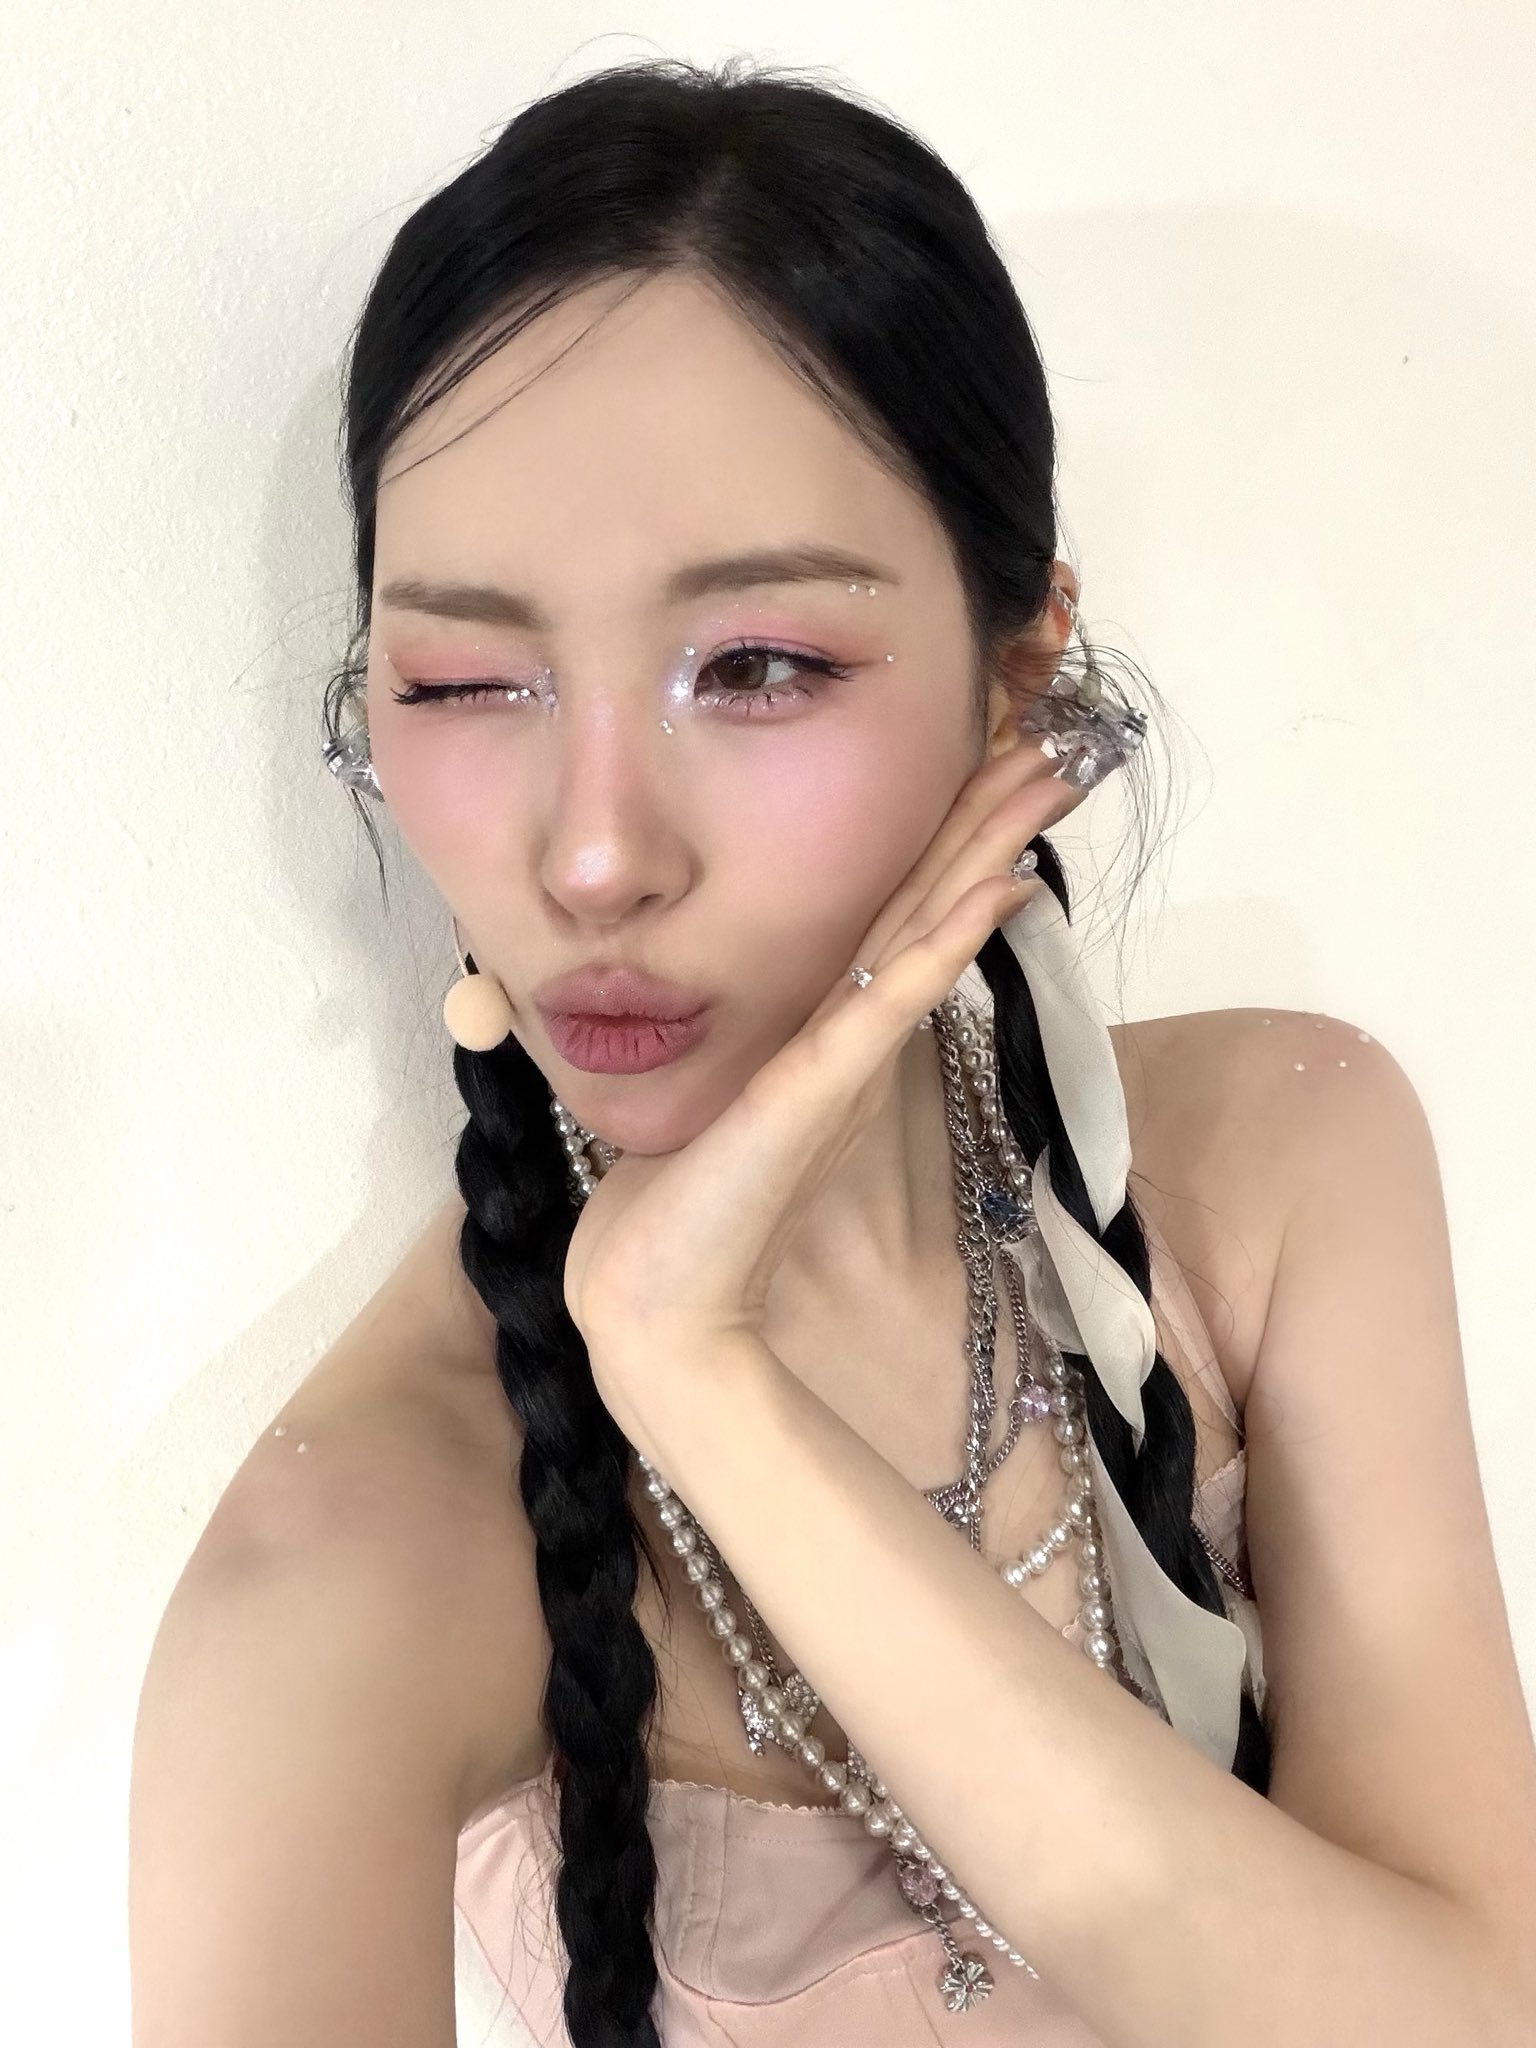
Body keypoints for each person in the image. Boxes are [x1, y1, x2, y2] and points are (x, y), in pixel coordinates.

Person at [128, 54, 1536, 2048]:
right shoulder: (345, 1568)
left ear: (1017, 674)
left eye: (760, 664)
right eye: (464, 680)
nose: (593, 855)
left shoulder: (1282, 1163)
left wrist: (698, 1374)